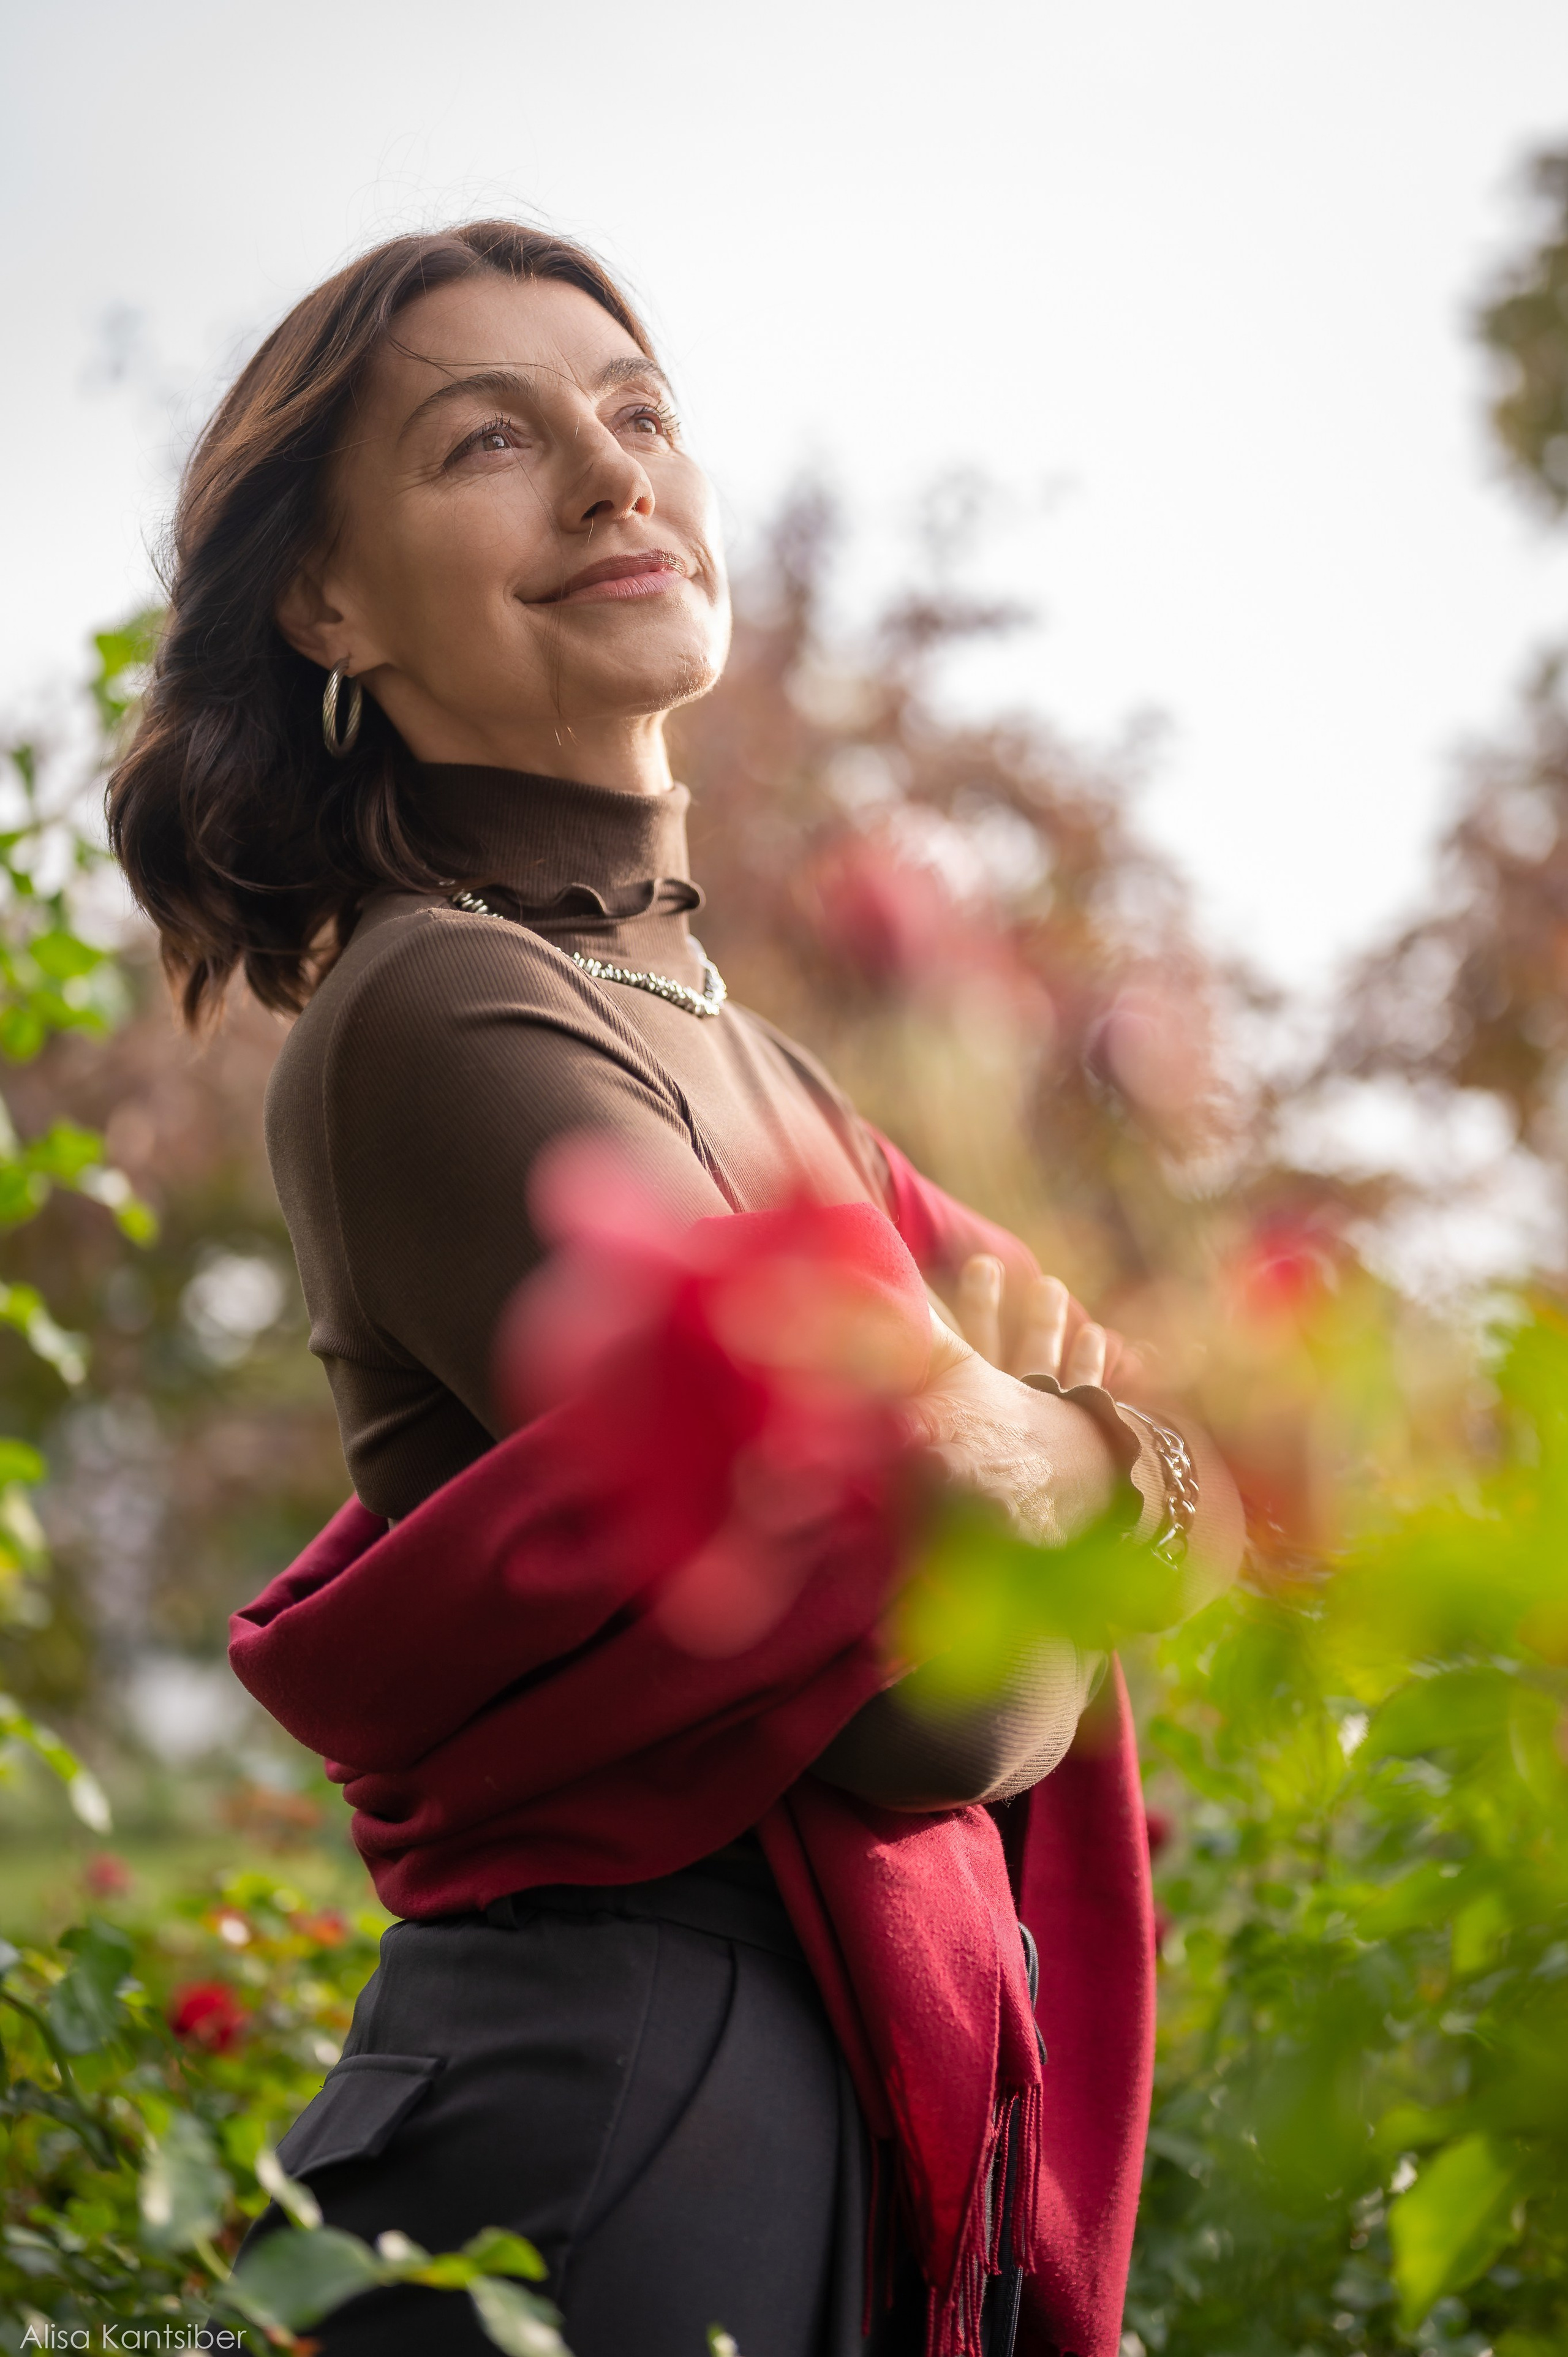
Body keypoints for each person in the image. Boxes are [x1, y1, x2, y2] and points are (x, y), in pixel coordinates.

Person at [108, 222, 1242, 2357]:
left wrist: (1048, 1466)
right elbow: (938, 1704)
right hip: (602, 2158)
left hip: (805, 2145)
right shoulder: (445, 1012)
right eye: (489, 441)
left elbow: (1214, 1498)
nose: (612, 473)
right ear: (329, 601)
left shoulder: (764, 1068)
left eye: (638, 412)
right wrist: (1088, 1460)